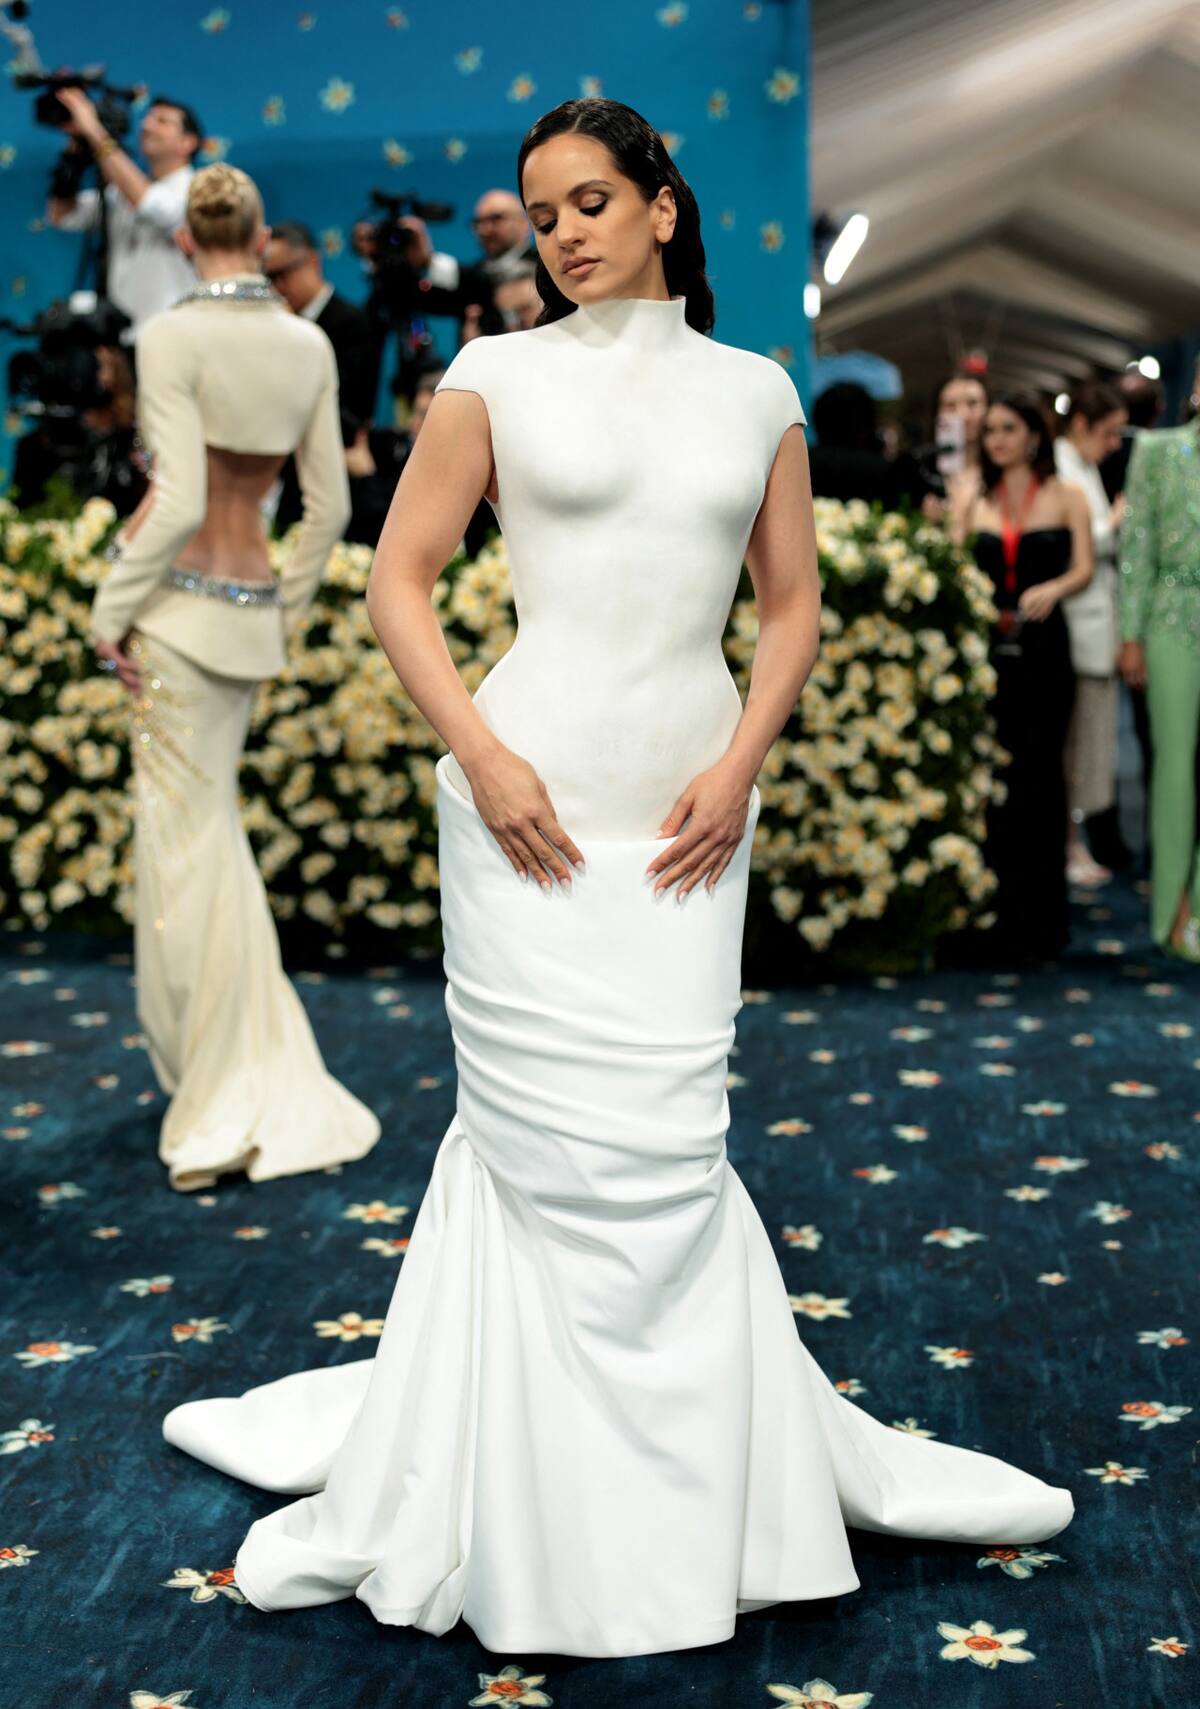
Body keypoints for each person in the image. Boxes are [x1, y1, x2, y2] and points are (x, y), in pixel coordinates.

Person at [160, 100, 1072, 1658]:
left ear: (665, 206)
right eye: (540, 210)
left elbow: (787, 609)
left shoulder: (756, 390)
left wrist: (745, 764)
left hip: (690, 817)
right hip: (522, 802)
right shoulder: (493, 375)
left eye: (591, 201)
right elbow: (401, 581)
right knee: (542, 1154)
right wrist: (485, 758)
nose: (563, 231)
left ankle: (682, 1489)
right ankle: (514, 1493)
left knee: (666, 1146)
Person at [89, 164, 380, 1190]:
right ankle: (237, 1064)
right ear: (260, 240)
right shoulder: (305, 342)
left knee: (183, 848)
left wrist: (105, 613)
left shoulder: (167, 336)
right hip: (248, 617)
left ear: (182, 243)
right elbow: (331, 510)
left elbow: (169, 508)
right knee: (208, 834)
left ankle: (216, 1082)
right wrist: (282, 608)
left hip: (173, 620)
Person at [958, 392, 1094, 960]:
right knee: (995, 777)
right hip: (990, 649)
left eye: (1009, 429)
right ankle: (995, 913)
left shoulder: (1068, 495)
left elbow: (1084, 566)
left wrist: (1053, 589)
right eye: (991, 430)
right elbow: (956, 566)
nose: (998, 439)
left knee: (1044, 773)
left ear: (1033, 435)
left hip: (1045, 648)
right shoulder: (973, 496)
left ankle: (1043, 918)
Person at [1118, 410, 1200, 959]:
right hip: (1173, 617)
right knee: (1174, 762)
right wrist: (1131, 634)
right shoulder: (1157, 449)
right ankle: (1173, 909)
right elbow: (1136, 548)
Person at [47, 91, 202, 333]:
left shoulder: (197, 189)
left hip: (173, 333)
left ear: (188, 142)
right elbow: (63, 216)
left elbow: (153, 206)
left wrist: (96, 133)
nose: (147, 126)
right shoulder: (121, 193)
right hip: (124, 335)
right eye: (147, 119)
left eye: (162, 121)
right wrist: (74, 151)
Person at [1054, 382, 1128, 886]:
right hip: (1079, 625)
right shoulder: (1064, 467)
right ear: (1081, 425)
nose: (1116, 444)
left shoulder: (1082, 465)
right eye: (1109, 433)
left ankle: (1074, 841)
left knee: (1087, 745)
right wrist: (1116, 520)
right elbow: (1077, 540)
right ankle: (1069, 845)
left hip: (1097, 621)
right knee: (1073, 747)